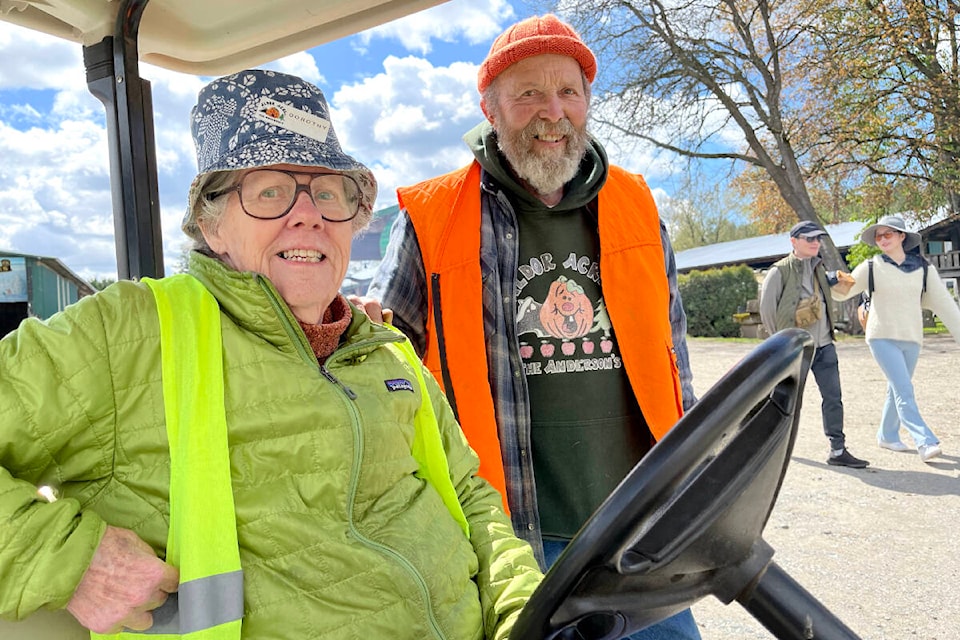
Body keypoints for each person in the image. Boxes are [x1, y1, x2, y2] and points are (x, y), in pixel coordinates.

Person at [0, 69, 542, 639]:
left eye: (328, 192)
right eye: (269, 191)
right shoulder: (128, 334)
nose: (307, 214)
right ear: (212, 225)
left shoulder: (385, 350)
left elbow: (470, 498)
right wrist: (70, 560)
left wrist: (524, 611)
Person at [368, 14, 700, 640]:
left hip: (640, 529)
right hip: (506, 539)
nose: (554, 113)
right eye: (528, 94)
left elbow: (673, 356)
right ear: (490, 108)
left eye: (568, 92)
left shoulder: (636, 204)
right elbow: (382, 359)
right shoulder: (431, 217)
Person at [831, 215, 960, 462]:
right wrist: (834, 283)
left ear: (902, 237)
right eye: (878, 236)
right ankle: (925, 441)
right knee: (904, 389)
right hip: (881, 337)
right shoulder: (871, 266)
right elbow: (841, 295)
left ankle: (887, 435)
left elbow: (947, 307)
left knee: (896, 388)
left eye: (888, 234)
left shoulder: (924, 270)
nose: (882, 239)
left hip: (912, 339)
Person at [759, 220, 870, 469]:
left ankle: (838, 450)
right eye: (809, 239)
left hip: (824, 345)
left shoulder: (820, 268)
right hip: (795, 349)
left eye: (817, 239)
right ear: (793, 241)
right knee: (785, 399)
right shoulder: (779, 271)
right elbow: (767, 311)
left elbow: (836, 293)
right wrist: (781, 345)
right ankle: (768, 446)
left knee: (833, 398)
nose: (815, 243)